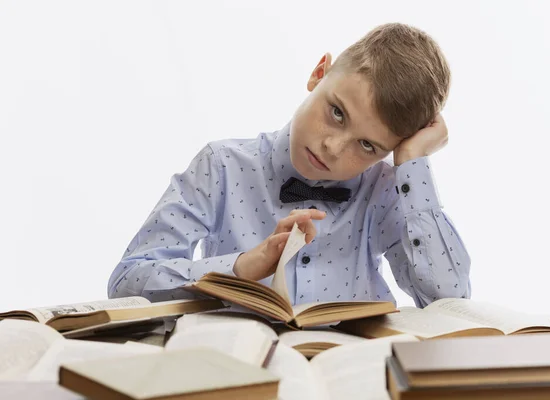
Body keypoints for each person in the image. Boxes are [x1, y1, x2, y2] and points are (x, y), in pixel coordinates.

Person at [108, 22, 471, 308]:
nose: (332, 147)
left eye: (366, 145)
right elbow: (128, 283)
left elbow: (448, 300)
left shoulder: (386, 190)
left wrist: (412, 163)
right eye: (337, 112)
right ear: (319, 73)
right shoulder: (221, 166)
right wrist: (238, 268)